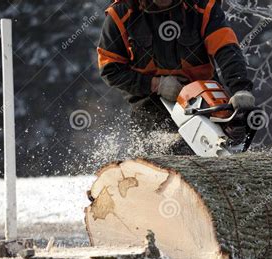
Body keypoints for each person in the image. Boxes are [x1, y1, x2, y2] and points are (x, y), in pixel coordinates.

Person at [97, 0, 254, 153]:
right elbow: (110, 69)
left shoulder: (203, 7)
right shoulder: (121, 13)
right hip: (150, 102)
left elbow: (226, 49)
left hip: (201, 95)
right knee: (165, 151)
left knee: (227, 138)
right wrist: (156, 84)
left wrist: (240, 88)